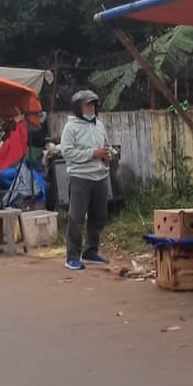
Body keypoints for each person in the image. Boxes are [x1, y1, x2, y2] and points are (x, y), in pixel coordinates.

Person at [60, 89, 112, 271]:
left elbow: (106, 146)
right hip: (80, 177)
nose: (91, 108)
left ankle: (91, 251)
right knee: (77, 217)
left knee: (99, 216)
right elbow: (67, 152)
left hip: (101, 176)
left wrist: (108, 155)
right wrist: (92, 154)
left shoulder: (99, 125)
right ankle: (72, 256)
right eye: (87, 105)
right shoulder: (71, 127)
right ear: (78, 108)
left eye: (93, 105)